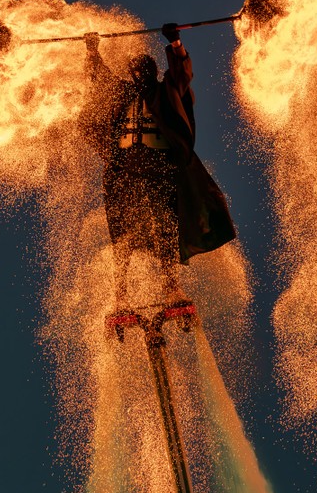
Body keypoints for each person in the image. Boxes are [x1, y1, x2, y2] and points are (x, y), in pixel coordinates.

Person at [79, 24, 236, 310]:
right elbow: (99, 77)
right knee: (122, 234)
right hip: (125, 170)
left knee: (166, 228)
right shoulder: (122, 95)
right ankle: (121, 297)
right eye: (136, 71)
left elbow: (182, 73)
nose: (140, 74)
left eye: (145, 69)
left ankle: (172, 289)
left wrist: (175, 42)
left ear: (152, 72)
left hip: (159, 168)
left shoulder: (167, 92)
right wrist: (92, 50)